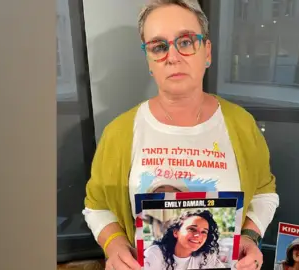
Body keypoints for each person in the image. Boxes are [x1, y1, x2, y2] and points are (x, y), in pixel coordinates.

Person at [82, 1, 280, 269]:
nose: (173, 57)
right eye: (159, 47)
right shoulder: (120, 133)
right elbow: (97, 206)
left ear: (207, 52)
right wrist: (114, 243)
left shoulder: (241, 125)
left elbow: (264, 193)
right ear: (149, 60)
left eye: (186, 42)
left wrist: (249, 236)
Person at [144, 209, 226, 270]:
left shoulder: (206, 257)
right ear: (176, 232)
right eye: (192, 229)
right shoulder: (155, 254)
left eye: (204, 232)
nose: (198, 235)